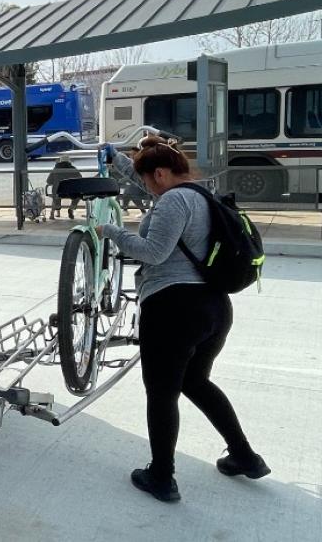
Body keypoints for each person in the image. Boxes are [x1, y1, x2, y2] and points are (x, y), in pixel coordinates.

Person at [97, 136, 268, 503]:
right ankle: (245, 456)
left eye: (146, 179)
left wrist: (110, 232)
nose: (144, 187)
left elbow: (154, 253)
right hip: (215, 308)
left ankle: (161, 476)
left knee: (161, 394)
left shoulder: (173, 201)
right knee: (196, 381)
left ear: (160, 174)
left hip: (174, 308)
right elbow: (150, 184)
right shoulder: (201, 193)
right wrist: (118, 160)